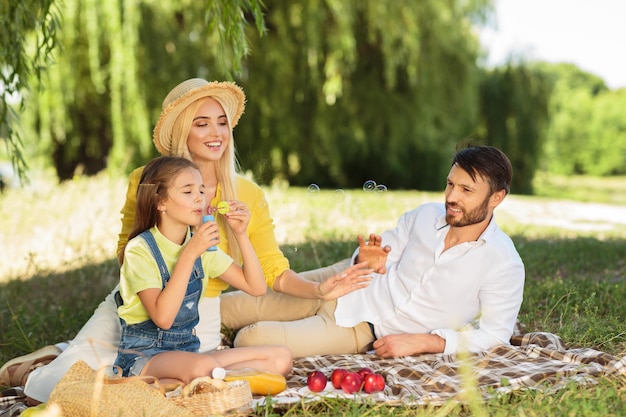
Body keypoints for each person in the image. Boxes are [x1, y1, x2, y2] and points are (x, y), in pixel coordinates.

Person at [19, 78, 370, 403]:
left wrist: (318, 291)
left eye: (221, 122)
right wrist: (184, 248)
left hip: (197, 319)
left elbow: (269, 272)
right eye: (201, 124)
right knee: (64, 383)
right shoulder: (146, 180)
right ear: (181, 133)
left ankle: (92, 358)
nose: (216, 132)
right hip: (142, 305)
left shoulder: (246, 194)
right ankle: (59, 358)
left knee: (212, 370)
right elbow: (128, 253)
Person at [227, 144, 525, 357]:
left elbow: (495, 335)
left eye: (466, 190)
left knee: (250, 339)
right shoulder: (425, 216)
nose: (451, 197)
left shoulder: (503, 263)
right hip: (342, 280)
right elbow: (381, 255)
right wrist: (366, 259)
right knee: (226, 309)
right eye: (450, 184)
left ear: (497, 197)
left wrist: (424, 342)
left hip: (361, 330)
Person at [113, 155, 291, 387]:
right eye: (188, 192)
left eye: (201, 190)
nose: (199, 198)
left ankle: (195, 384)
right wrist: (189, 254)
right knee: (205, 368)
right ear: (160, 202)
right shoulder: (139, 250)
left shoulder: (202, 246)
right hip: (144, 357)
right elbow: (163, 319)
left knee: (280, 358)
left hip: (189, 355)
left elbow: (256, 287)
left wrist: (240, 233)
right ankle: (192, 382)